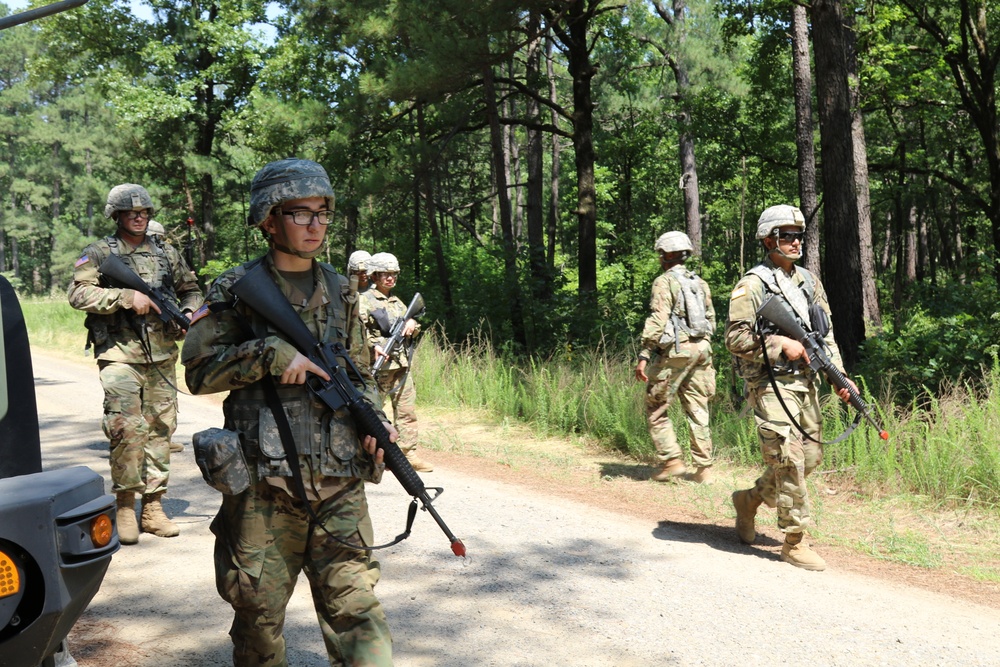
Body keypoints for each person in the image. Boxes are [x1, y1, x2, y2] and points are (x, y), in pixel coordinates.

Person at [181, 158, 394, 666]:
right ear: (268, 219)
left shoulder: (341, 288)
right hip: (262, 489)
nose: (315, 224)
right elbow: (197, 372)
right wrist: (268, 356)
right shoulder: (235, 289)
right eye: (300, 213)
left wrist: (375, 419)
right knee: (258, 622)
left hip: (339, 482)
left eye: (322, 212)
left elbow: (359, 369)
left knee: (359, 614)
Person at [68, 184, 203, 545]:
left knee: (161, 429)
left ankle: (153, 507)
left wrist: (188, 310)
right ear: (117, 216)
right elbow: (78, 293)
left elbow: (191, 288)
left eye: (144, 211)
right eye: (131, 212)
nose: (139, 216)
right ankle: (126, 505)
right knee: (128, 427)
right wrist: (125, 297)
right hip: (119, 354)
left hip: (160, 354)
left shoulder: (167, 253)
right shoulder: (98, 253)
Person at [726, 204, 856, 572]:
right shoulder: (752, 284)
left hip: (805, 382)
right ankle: (794, 541)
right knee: (788, 457)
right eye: (787, 236)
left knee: (810, 458)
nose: (796, 242)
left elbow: (825, 339)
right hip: (770, 382)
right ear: (769, 240)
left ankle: (749, 501)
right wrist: (780, 345)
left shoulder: (809, 283)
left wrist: (840, 378)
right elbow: (734, 338)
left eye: (799, 235)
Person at [634, 231, 716, 484]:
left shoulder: (664, 282)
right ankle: (704, 470)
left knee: (655, 406)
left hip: (677, 352)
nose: (660, 258)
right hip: (702, 349)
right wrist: (702, 346)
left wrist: (644, 353)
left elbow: (658, 318)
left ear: (668, 255)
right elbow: (711, 319)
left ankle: (672, 461)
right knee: (698, 408)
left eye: (661, 254)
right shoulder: (700, 283)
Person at [360, 251, 432, 473]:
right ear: (374, 276)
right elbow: (357, 331)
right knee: (373, 413)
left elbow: (413, 324)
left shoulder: (397, 302)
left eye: (393, 274)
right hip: (379, 367)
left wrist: (412, 324)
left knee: (406, 412)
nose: (390, 278)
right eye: (385, 274)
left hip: (400, 365)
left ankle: (408, 454)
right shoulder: (364, 300)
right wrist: (373, 346)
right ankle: (370, 456)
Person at [145, 219, 186, 454]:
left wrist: (185, 315)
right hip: (129, 344)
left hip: (163, 340)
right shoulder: (117, 256)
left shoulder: (169, 258)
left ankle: (163, 437)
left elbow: (188, 290)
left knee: (163, 397)